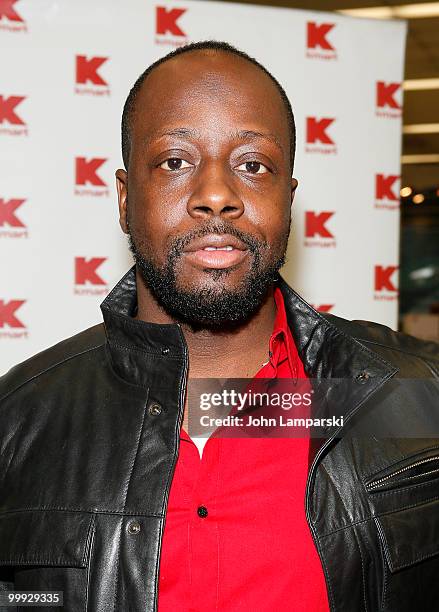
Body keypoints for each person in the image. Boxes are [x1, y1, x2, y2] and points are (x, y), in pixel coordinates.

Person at [0, 40, 438, 612]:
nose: (215, 195)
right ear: (126, 200)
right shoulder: (19, 420)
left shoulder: (416, 393)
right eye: (175, 161)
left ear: (288, 199)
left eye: (253, 166)